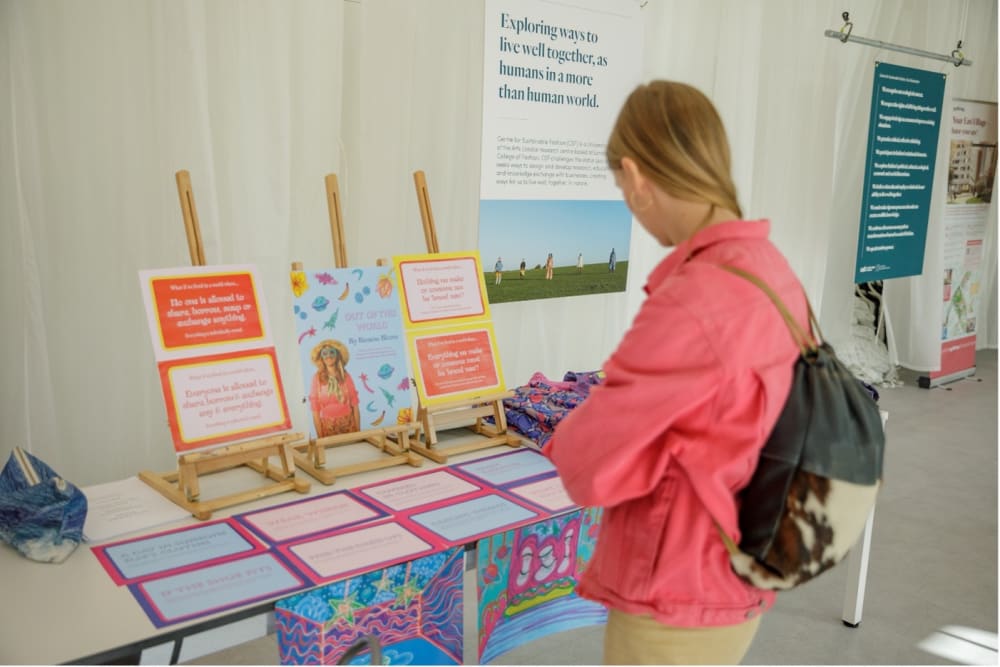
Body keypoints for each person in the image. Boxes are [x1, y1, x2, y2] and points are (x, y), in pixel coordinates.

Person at [543, 81, 808, 665]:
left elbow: (592, 461)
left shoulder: (694, 299)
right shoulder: (771, 269)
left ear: (636, 176)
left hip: (680, 584)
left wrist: (565, 436)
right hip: (744, 561)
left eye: (621, 188)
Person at [308, 339, 360, 438]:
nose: (328, 356)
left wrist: (358, 433)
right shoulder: (317, 378)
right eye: (325, 353)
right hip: (328, 428)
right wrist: (320, 436)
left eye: (332, 352)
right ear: (321, 357)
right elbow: (315, 410)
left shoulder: (346, 376)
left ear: (337, 355)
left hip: (348, 426)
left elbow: (355, 406)